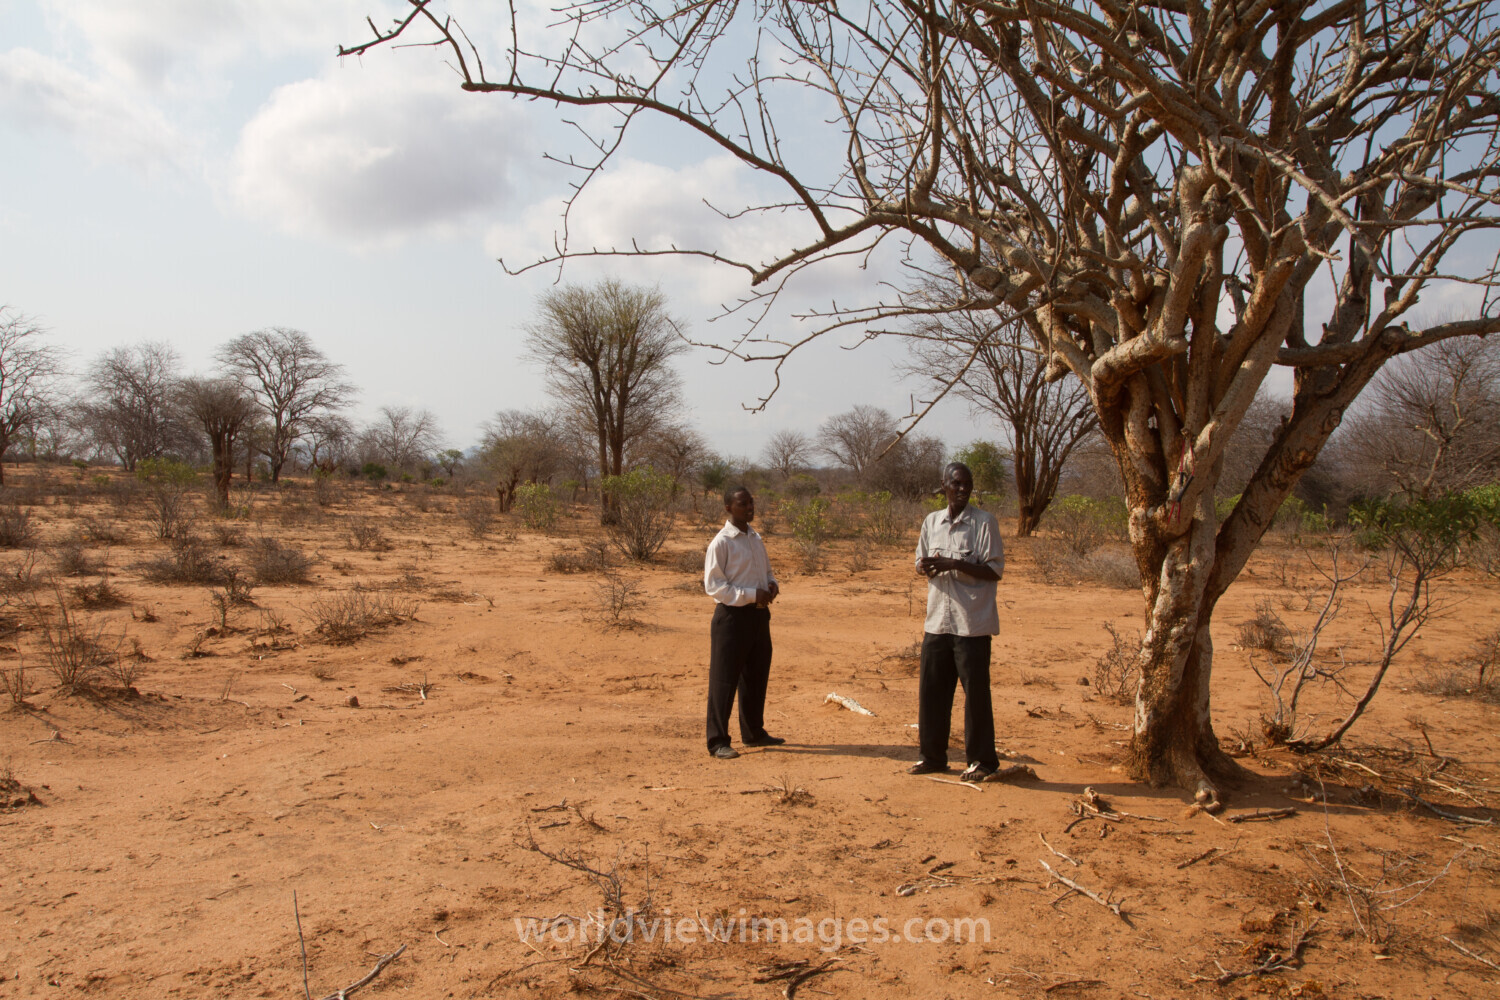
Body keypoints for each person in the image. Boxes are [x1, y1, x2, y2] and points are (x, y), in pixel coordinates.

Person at [910, 462, 1004, 782]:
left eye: (968, 484)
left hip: (971, 623)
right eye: (957, 484)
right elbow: (920, 562)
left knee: (975, 694)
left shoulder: (984, 523)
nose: (963, 489)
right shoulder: (931, 522)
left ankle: (982, 761)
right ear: (944, 486)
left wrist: (954, 563)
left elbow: (994, 570)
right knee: (932, 692)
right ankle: (932, 756)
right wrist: (929, 566)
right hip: (937, 621)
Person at [703, 486, 784, 759]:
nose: (750, 507)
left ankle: (753, 732)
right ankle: (717, 741)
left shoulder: (755, 538)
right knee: (724, 681)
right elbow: (715, 587)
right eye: (742, 504)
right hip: (732, 618)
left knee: (756, 676)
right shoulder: (722, 543)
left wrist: (771, 585)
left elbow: (767, 571)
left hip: (760, 616)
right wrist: (751, 595)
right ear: (728, 508)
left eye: (751, 502)